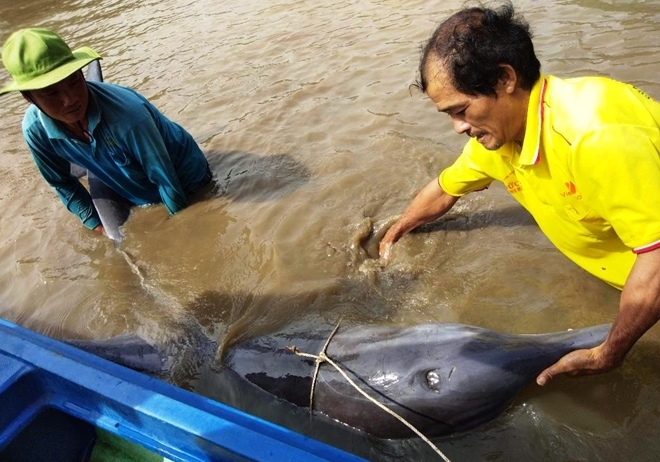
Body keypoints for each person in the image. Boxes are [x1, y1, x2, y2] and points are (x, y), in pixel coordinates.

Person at [379, 2, 660, 386]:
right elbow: (446, 188)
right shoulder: (500, 139)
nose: (458, 128)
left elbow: (657, 261)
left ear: (505, 79)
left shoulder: (595, 136)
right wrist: (397, 230)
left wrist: (608, 353)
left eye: (460, 110)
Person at [0, 28, 213, 235]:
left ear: (82, 74)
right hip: (124, 178)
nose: (70, 100)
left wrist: (184, 229)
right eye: (51, 94)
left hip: (186, 179)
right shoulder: (35, 130)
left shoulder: (130, 117)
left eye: (74, 82)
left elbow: (166, 180)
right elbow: (61, 181)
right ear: (29, 98)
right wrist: (94, 223)